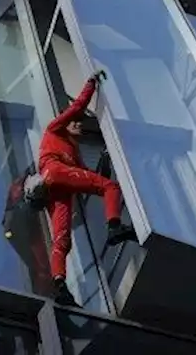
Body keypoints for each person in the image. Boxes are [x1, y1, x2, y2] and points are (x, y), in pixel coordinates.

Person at [39, 69, 136, 304]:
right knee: (110, 187)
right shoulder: (54, 129)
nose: (80, 126)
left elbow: (88, 178)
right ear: (67, 122)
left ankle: (59, 285)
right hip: (54, 172)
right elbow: (77, 107)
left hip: (59, 186)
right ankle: (114, 227)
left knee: (62, 238)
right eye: (77, 124)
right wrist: (91, 83)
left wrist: (102, 162)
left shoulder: (73, 151)